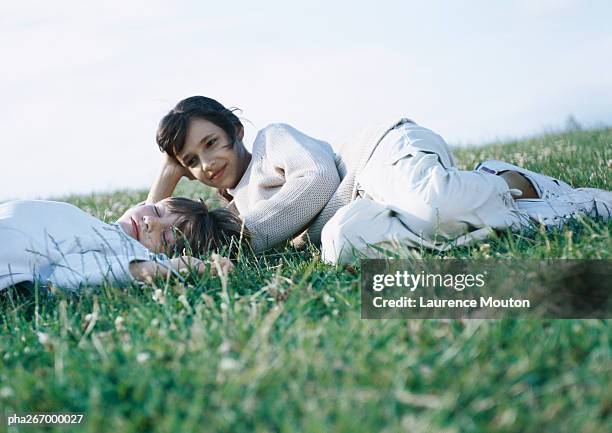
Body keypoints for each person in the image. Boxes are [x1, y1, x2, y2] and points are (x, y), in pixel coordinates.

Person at [147, 96, 611, 261]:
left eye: (211, 143)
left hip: (381, 157)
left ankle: (516, 184)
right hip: (366, 212)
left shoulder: (271, 142)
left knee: (435, 205)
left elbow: (318, 178)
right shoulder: (234, 213)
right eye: (190, 161)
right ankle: (500, 193)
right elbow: (142, 226)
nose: (205, 164)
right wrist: (167, 171)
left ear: (236, 132)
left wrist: (248, 238)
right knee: (345, 243)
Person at [0, 197, 244, 292]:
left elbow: (66, 274)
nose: (150, 222)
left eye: (168, 237)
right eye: (157, 209)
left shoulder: (126, 251)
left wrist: (168, 267)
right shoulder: (101, 229)